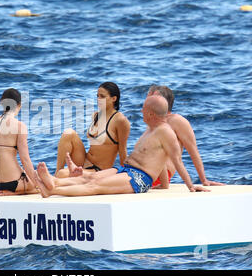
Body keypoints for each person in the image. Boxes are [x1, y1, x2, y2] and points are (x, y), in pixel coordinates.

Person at [35, 95, 210, 198]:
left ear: (151, 113)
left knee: (95, 187)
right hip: (126, 169)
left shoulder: (166, 133)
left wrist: (191, 186)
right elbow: (159, 162)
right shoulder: (151, 130)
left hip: (139, 179)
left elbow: (177, 162)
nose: (140, 112)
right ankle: (54, 181)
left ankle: (52, 191)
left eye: (143, 109)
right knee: (91, 178)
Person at [148, 85, 225, 189]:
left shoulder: (177, 121)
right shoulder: (155, 122)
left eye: (151, 97)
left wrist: (204, 180)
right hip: (147, 171)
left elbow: (193, 151)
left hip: (156, 176)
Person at [54, 82, 130, 177]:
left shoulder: (120, 120)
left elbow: (123, 150)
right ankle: (56, 174)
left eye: (102, 96)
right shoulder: (96, 115)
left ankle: (57, 178)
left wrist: (126, 175)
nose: (98, 99)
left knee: (63, 174)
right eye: (97, 96)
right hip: (85, 161)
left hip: (99, 170)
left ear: (114, 99)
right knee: (68, 133)